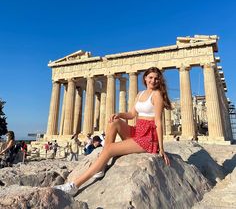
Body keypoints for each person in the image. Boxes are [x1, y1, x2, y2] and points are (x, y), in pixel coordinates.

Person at [54, 67, 172, 196]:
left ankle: (74, 185)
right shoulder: (140, 94)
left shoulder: (157, 95)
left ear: (159, 80)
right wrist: (119, 114)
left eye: (156, 78)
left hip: (148, 137)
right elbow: (132, 114)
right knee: (113, 122)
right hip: (137, 131)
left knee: (109, 149)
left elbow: (158, 122)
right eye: (150, 77)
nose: (153, 80)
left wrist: (161, 148)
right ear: (145, 78)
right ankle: (101, 166)